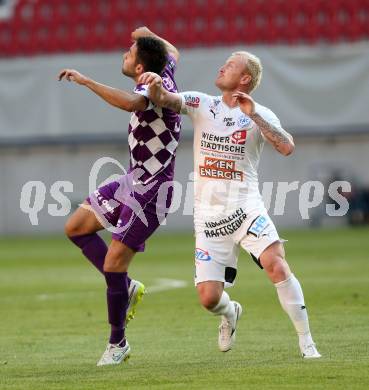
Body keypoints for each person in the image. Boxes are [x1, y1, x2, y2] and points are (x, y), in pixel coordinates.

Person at [139, 51, 321, 359]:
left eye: (231, 65)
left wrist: (255, 116)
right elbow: (166, 99)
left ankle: (307, 343)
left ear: (245, 78)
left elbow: (287, 146)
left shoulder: (258, 113)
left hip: (247, 208)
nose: (222, 66)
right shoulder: (202, 103)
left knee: (276, 264)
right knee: (209, 298)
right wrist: (155, 84)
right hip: (209, 217)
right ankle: (231, 312)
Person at [58, 27, 181, 366]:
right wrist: (147, 34)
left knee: (113, 262)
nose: (126, 53)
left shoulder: (154, 84)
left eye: (131, 51)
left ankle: (118, 344)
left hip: (152, 190)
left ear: (141, 67)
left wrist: (86, 82)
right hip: (132, 181)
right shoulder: (163, 65)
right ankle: (125, 288)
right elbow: (173, 52)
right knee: (77, 228)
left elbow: (132, 102)